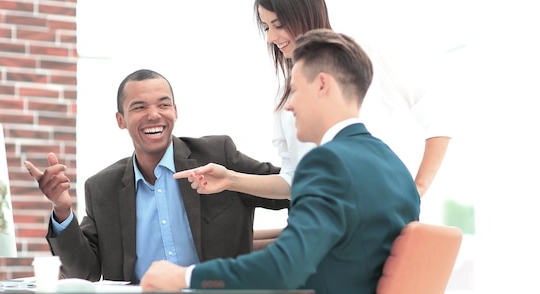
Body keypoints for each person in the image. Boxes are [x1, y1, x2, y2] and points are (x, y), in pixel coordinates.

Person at [140, 28, 421, 293]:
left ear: (322, 84)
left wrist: (184, 276)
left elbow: (285, 268)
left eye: (295, 90)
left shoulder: (327, 162)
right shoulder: (394, 166)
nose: (288, 104)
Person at [175, 0, 451, 199]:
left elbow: (439, 120)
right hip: (325, 230)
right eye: (265, 27)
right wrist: (231, 179)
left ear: (305, 15)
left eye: (278, 25)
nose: (271, 37)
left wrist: (417, 190)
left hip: (368, 224)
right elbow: (295, 180)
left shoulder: (367, 56)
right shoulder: (285, 94)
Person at [23, 69, 289, 284]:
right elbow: (84, 273)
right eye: (139, 107)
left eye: (163, 105)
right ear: (120, 119)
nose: (154, 115)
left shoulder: (217, 157)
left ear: (175, 110)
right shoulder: (102, 188)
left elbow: (294, 190)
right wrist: (62, 210)